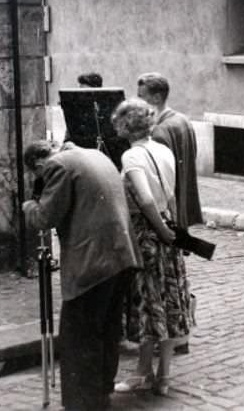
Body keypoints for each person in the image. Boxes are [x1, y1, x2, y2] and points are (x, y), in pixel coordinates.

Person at [22, 140, 140, 411]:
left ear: (39, 164)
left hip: (92, 263)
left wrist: (29, 206)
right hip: (121, 256)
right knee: (107, 328)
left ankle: (82, 403)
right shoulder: (93, 154)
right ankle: (101, 392)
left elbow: (45, 217)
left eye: (38, 175)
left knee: (78, 335)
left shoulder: (57, 166)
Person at [111, 99, 193, 396]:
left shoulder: (132, 156)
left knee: (147, 303)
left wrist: (159, 230)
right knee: (169, 300)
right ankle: (164, 375)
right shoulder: (163, 150)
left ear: (124, 125)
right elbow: (170, 196)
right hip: (168, 227)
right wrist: (174, 231)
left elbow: (145, 199)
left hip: (147, 233)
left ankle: (142, 372)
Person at [137, 72, 203, 229]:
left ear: (157, 98)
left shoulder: (160, 130)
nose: (138, 102)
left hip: (170, 203)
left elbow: (160, 177)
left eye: (141, 97)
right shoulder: (183, 120)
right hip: (182, 199)